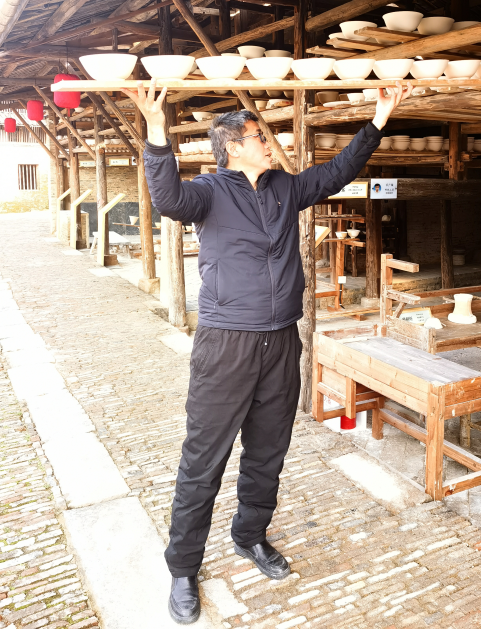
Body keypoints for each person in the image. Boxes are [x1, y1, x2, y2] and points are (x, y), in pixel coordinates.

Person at [125, 78, 412, 625]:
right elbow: (167, 198)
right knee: (203, 459)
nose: (269, 142)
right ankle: (183, 567)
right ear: (233, 146)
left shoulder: (284, 187)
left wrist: (378, 119)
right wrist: (156, 131)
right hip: (226, 344)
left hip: (281, 339)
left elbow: (338, 172)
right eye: (260, 136)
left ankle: (250, 535)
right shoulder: (209, 191)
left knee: (267, 451)